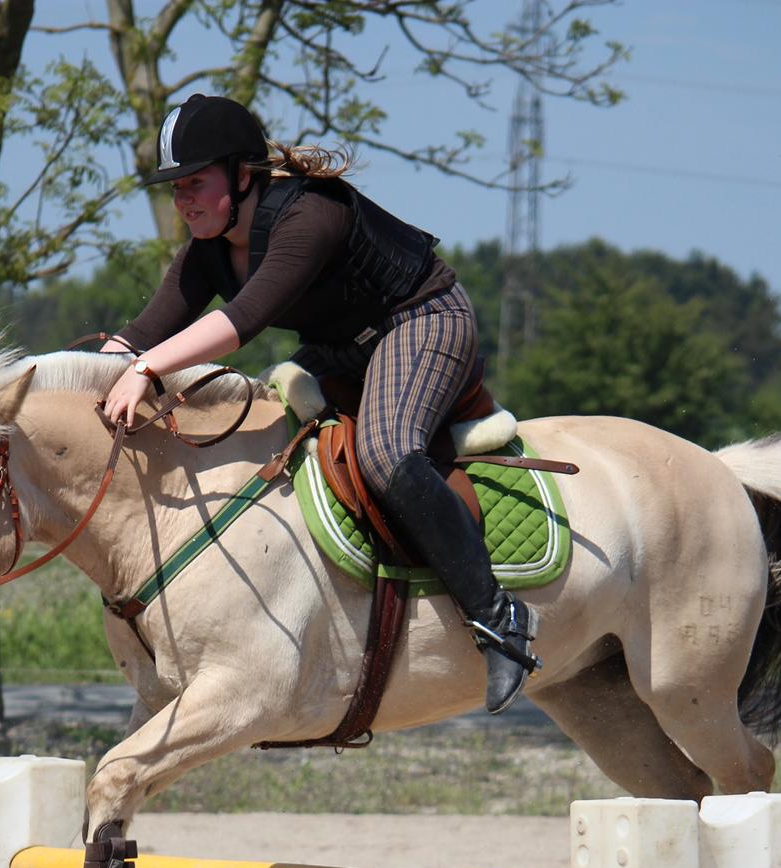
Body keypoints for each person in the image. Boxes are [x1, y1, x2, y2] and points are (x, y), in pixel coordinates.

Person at [102, 93, 539, 714]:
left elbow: (242, 320)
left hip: (421, 321)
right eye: (176, 189)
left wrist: (145, 368)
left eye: (195, 182)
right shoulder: (207, 249)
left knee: (386, 454)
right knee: (250, 429)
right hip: (341, 352)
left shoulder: (310, 215)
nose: (183, 201)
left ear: (243, 175)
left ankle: (500, 620)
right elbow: (140, 335)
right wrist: (62, 380)